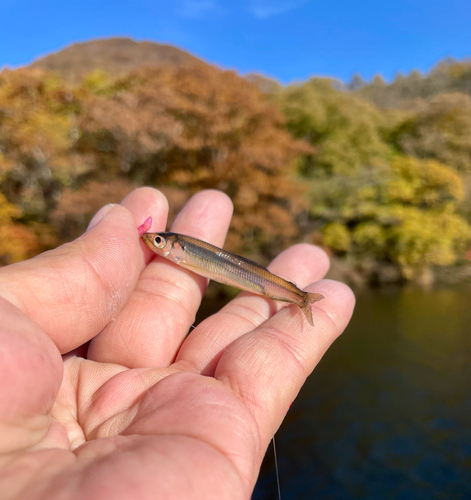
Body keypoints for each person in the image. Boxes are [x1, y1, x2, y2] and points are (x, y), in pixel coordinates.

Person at [0, 187, 355, 500]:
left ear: (175, 248)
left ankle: (301, 297)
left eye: (158, 242)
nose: (153, 243)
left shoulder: (184, 248)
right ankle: (300, 297)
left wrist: (294, 294)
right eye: (155, 240)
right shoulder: (180, 249)